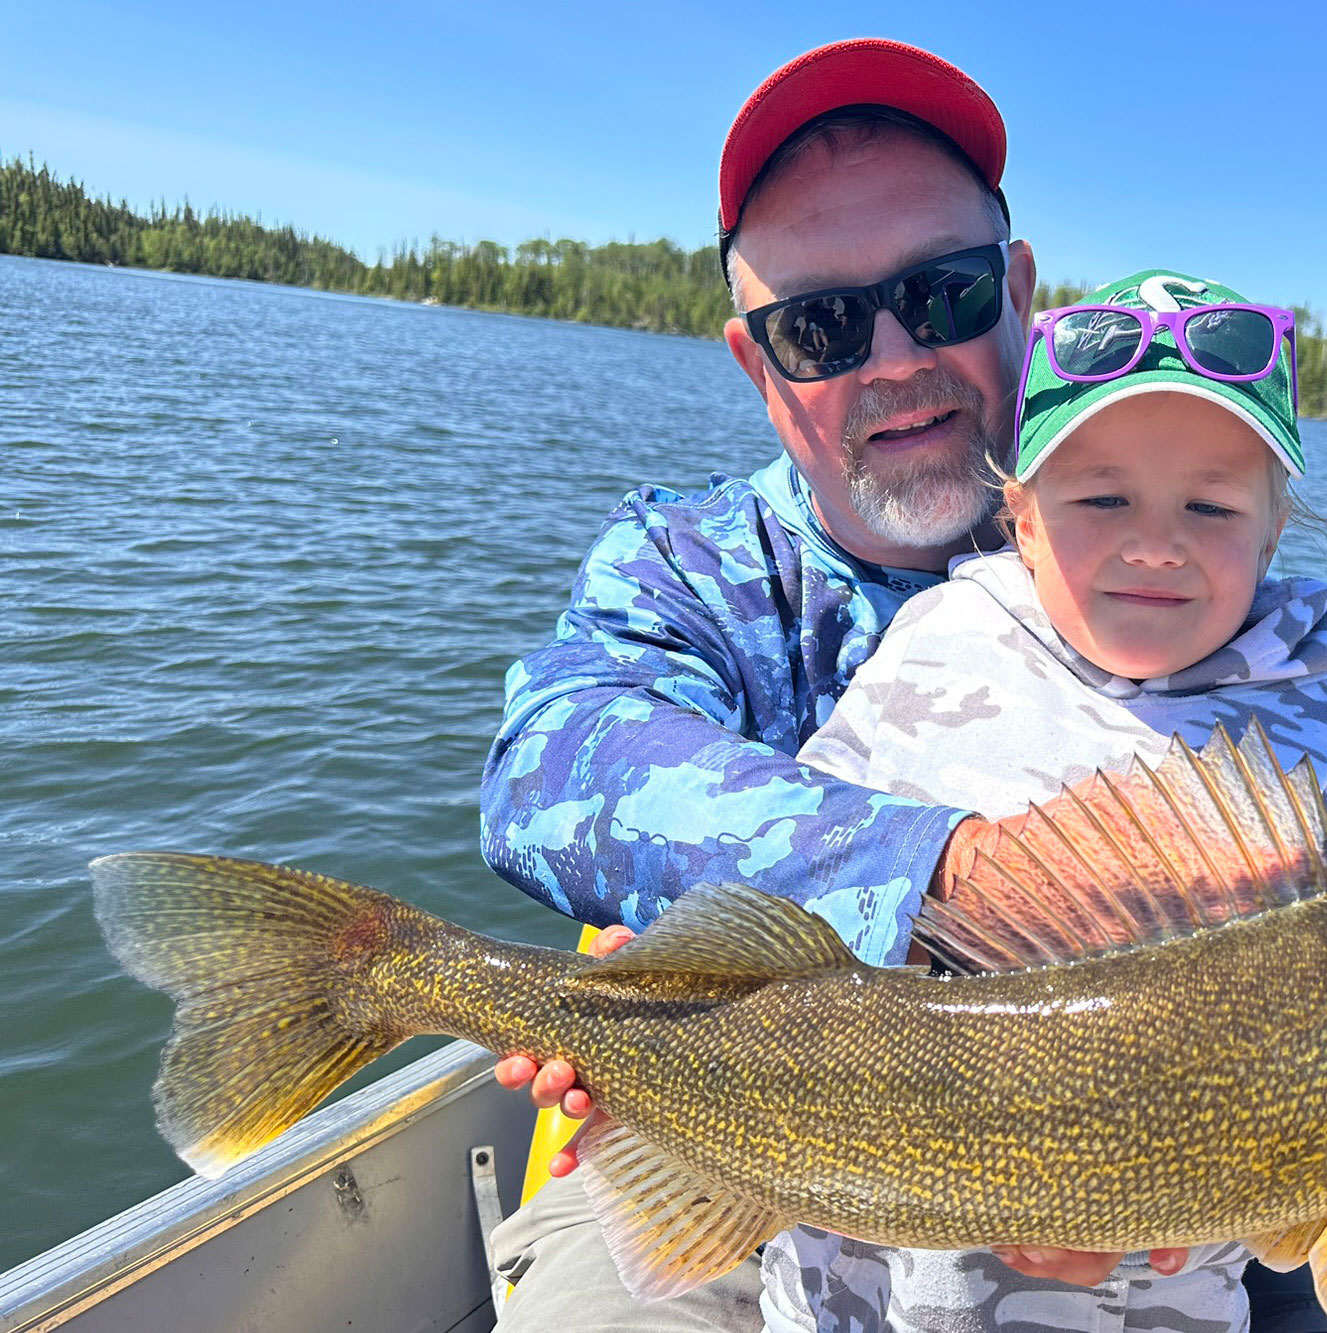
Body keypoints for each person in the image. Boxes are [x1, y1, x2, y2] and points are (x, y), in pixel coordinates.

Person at [481, 39, 1200, 1332]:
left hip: (1117, 1143)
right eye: (819, 326)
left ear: (1021, 295)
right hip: (720, 1144)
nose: (889, 359)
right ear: (759, 367)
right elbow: (549, 763)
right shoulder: (688, 567)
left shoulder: (1159, 559)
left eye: (942, 293)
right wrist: (941, 875)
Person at [759, 266, 1327, 1332]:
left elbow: (1325, 1078)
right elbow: (791, 872)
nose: (1156, 540)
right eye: (1101, 498)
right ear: (1021, 515)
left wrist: (1165, 1215)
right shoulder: (931, 653)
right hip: (858, 1290)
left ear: (1274, 529)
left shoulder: (1321, 749)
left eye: (1211, 504)